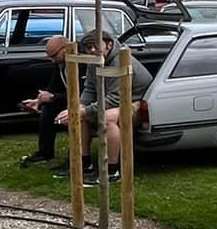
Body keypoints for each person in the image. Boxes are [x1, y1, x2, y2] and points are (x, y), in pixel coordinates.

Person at [59, 30, 154, 185]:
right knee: (81, 115)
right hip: (114, 101)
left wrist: (86, 110)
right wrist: (79, 107)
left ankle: (112, 171)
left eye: (95, 46)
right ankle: (84, 164)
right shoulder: (95, 60)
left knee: (108, 118)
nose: (91, 50)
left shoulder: (120, 60)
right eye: (88, 47)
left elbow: (116, 98)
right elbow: (90, 89)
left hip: (137, 101)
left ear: (109, 45)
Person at [19, 35, 73, 168]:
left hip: (84, 102)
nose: (52, 60)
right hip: (69, 99)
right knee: (48, 109)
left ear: (64, 49)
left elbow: (83, 93)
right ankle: (45, 152)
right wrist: (39, 101)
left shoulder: (80, 64)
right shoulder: (59, 64)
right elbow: (54, 85)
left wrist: (53, 97)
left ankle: (74, 159)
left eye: (54, 56)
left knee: (70, 116)